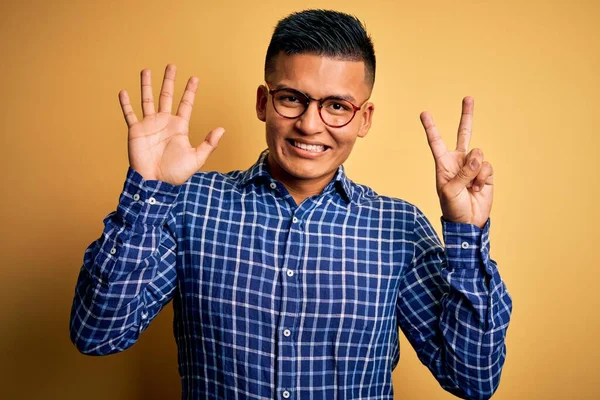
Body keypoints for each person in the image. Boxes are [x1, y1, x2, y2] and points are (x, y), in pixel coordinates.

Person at [70, 9, 512, 400]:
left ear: (364, 119)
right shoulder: (188, 206)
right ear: (264, 102)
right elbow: (97, 333)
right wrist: (150, 191)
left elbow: (472, 379)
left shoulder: (400, 228)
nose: (309, 124)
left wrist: (466, 236)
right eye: (291, 98)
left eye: (336, 105)